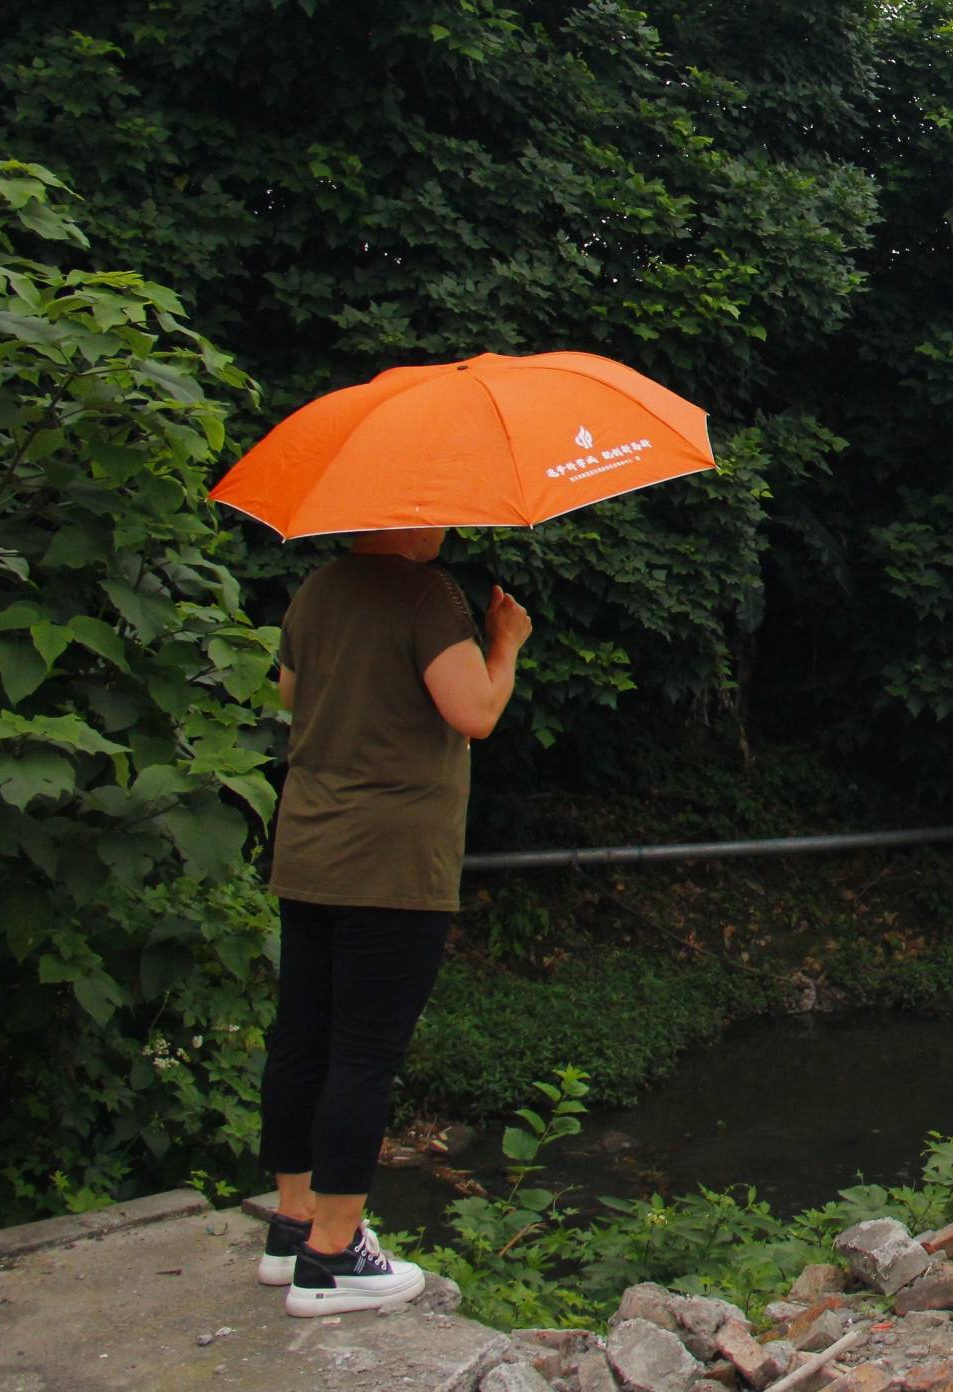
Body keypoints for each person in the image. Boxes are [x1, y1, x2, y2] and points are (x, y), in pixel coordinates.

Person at [259, 526, 530, 1317]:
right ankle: (334, 1257)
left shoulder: (318, 589)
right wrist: (504, 643)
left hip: (309, 847)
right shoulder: (426, 594)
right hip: (392, 863)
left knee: (300, 1036)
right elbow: (474, 710)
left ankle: (291, 1225)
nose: (445, 521)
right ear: (406, 514)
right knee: (365, 1054)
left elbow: (287, 690)